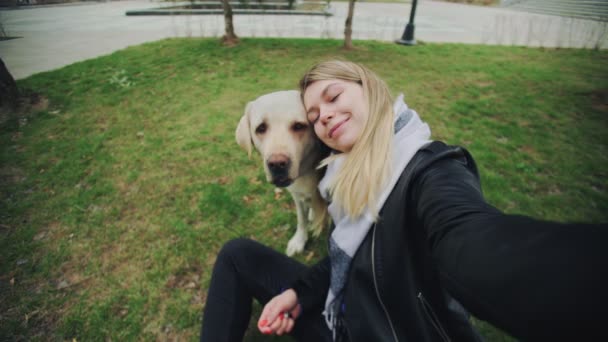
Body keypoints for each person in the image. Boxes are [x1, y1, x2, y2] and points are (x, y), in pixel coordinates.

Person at [200, 60, 608, 342]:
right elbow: (353, 253)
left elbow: (471, 240)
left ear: (371, 90)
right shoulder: (344, 175)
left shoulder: (429, 171)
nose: (323, 115)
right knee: (237, 253)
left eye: (334, 95)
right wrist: (301, 294)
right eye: (314, 112)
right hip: (343, 315)